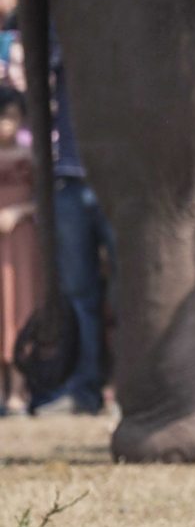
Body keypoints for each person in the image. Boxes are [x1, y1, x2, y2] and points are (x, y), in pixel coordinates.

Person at [32, 52, 113, 416]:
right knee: (78, 296)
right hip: (69, 180)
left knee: (135, 291)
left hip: (118, 182)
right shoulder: (58, 43)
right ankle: (83, 391)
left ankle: (135, 392)